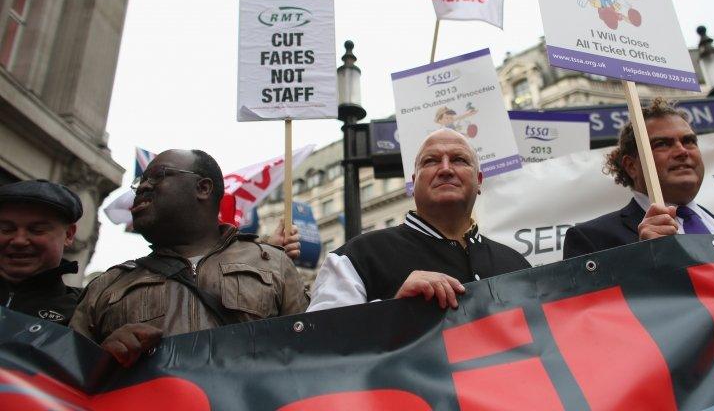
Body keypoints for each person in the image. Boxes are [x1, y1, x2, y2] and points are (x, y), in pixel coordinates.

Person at [70, 149, 308, 367]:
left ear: (203, 188)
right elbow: (65, 383)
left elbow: (312, 360)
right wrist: (101, 361)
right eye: (140, 181)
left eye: (157, 176)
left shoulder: (274, 264)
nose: (142, 187)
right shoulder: (106, 286)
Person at [308, 129, 531, 312]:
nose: (445, 169)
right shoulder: (355, 257)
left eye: (459, 160)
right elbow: (319, 348)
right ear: (413, 184)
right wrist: (394, 310)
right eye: (431, 161)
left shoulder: (517, 265)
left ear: (479, 180)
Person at [563, 98, 714, 259]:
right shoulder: (591, 240)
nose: (682, 151)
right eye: (662, 144)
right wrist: (646, 259)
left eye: (689, 141)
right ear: (631, 166)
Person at [0, 180, 83, 325]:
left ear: (69, 234)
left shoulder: (86, 313)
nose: (19, 240)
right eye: (6, 229)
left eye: (36, 230)